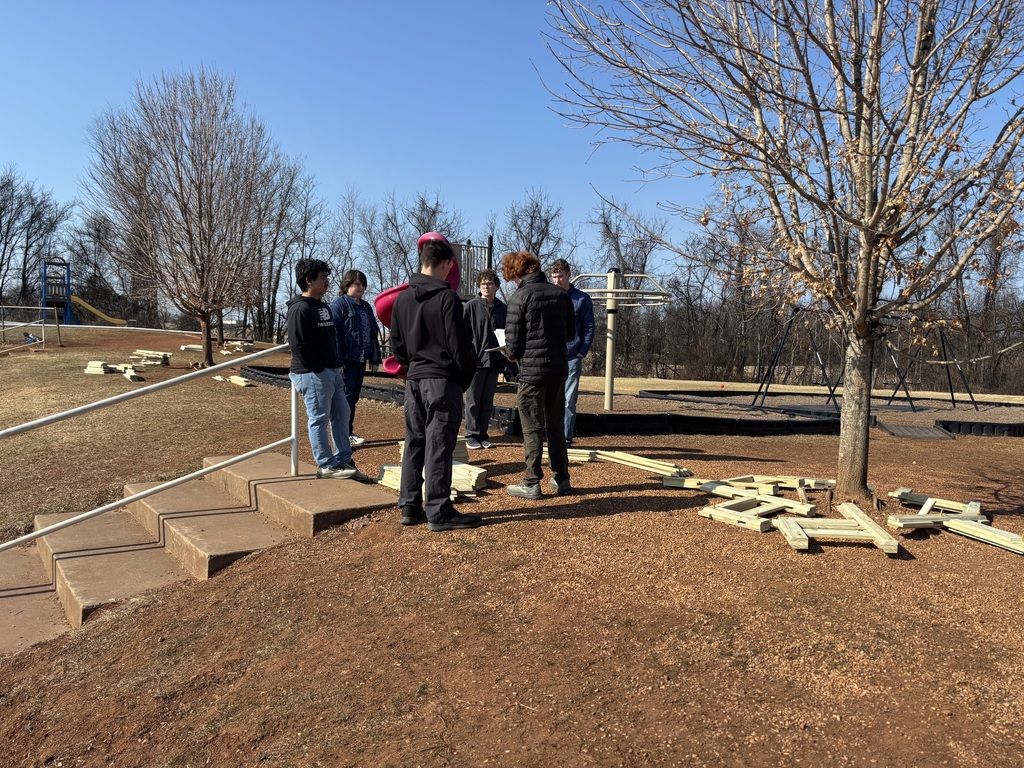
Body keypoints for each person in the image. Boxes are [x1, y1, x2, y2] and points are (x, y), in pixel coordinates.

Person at [391, 232, 482, 531]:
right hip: (442, 381)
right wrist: (463, 379)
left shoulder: (402, 299)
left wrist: (412, 369)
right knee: (439, 444)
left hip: (414, 381)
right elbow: (460, 346)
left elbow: (397, 347)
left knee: (414, 441)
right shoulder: (447, 298)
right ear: (445, 264)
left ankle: (409, 505)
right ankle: (439, 510)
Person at [502, 250, 575, 499]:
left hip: (532, 374)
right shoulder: (561, 295)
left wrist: (510, 353)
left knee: (532, 427)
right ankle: (562, 479)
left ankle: (532, 482)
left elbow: (512, 348)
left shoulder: (518, 297)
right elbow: (570, 334)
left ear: (517, 273)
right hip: (557, 370)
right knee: (555, 425)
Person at [286, 259, 364, 481]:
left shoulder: (323, 306)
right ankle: (326, 465)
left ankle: (344, 460)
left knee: (342, 415)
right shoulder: (299, 309)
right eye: (322, 277)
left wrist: (335, 366)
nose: (327, 281)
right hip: (312, 374)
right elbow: (298, 344)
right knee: (319, 418)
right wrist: (318, 368)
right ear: (309, 280)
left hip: (333, 372)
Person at [330, 269, 382, 447]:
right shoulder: (339, 305)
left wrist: (375, 358)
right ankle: (343, 435)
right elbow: (334, 333)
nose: (360, 287)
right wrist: (338, 360)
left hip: (361, 359)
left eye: (363, 284)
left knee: (352, 398)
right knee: (344, 399)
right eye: (356, 283)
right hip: (346, 361)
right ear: (347, 285)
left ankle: (347, 432)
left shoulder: (366, 306)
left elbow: (373, 334)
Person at [549, 259, 595, 446]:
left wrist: (582, 351)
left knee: (568, 400)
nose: (557, 280)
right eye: (554, 277)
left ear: (569, 275)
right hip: (551, 356)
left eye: (560, 276)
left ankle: (566, 439)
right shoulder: (550, 297)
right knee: (551, 400)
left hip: (572, 356)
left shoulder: (582, 299)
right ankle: (552, 436)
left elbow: (589, 327)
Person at [462, 269, 507, 450]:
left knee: (487, 400)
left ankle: (483, 433)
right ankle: (471, 434)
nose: (486, 287)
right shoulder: (471, 306)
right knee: (473, 400)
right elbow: (463, 334)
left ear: (496, 286)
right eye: (483, 284)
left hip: (494, 360)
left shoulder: (502, 309)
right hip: (476, 362)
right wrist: (469, 357)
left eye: (489, 283)